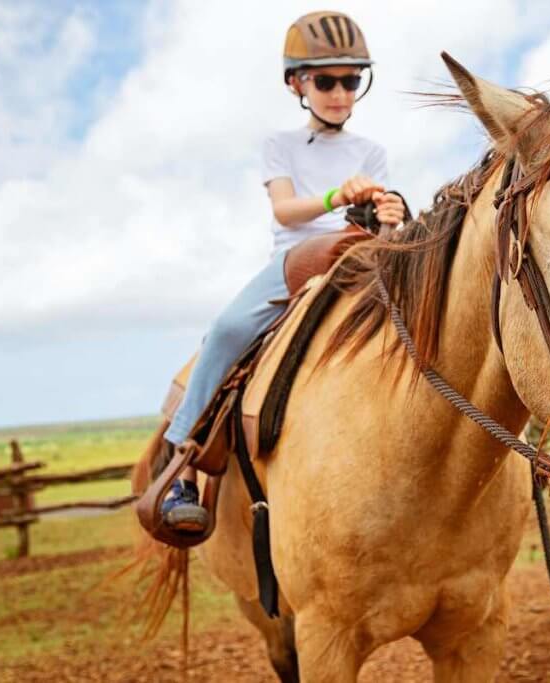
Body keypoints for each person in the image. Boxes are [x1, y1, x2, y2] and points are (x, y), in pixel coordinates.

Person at [158, 10, 406, 534]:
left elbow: (381, 232)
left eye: (351, 80)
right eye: (326, 80)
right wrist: (339, 195)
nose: (340, 92)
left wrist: (392, 216)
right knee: (227, 330)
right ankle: (179, 460)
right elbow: (285, 210)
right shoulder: (280, 146)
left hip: (358, 261)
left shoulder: (373, 152)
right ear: (297, 83)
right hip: (297, 262)